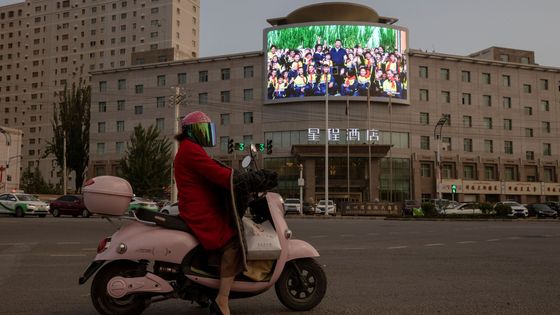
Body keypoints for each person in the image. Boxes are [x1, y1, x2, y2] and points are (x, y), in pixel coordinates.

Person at [174, 111, 277, 315]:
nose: (205, 134)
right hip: (200, 209)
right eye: (201, 130)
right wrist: (246, 179)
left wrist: (239, 176)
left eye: (206, 130)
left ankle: (210, 285)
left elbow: (214, 169)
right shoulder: (190, 150)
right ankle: (222, 299)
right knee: (233, 240)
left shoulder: (191, 149)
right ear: (190, 132)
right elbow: (219, 174)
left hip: (201, 205)